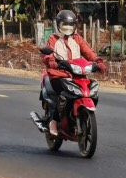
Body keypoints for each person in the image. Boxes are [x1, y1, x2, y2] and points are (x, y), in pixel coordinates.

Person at [33, 9, 101, 137]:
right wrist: (51, 61)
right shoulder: (53, 38)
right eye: (65, 25)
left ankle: (80, 117)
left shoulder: (78, 39)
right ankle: (54, 121)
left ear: (75, 26)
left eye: (70, 25)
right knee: (64, 94)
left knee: (92, 90)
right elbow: (49, 53)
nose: (67, 28)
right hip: (58, 74)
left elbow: (89, 52)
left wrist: (98, 62)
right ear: (59, 25)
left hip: (77, 74)